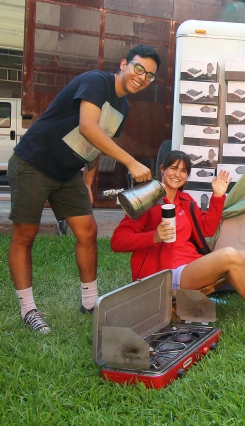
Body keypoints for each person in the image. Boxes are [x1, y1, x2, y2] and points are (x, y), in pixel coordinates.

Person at [7, 45, 161, 334]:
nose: (142, 78)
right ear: (125, 63)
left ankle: (90, 304)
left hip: (67, 174)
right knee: (26, 234)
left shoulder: (123, 107)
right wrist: (130, 162)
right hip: (34, 161)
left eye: (149, 76)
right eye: (139, 69)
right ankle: (28, 309)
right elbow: (88, 127)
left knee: (88, 231)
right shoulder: (96, 81)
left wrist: (88, 184)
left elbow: (94, 145)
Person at [111, 151, 245, 333]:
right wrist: (154, 237)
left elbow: (207, 229)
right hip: (167, 274)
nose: (178, 174)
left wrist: (218, 196)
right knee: (229, 255)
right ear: (162, 169)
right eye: (173, 168)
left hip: (192, 265)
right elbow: (117, 241)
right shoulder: (147, 201)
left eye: (184, 171)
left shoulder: (186, 201)